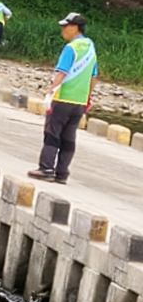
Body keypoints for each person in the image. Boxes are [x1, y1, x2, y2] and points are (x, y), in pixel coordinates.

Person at [28, 13, 97, 185]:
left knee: (52, 134)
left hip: (63, 98)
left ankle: (46, 168)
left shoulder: (71, 48)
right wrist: (88, 96)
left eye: (64, 26)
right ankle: (62, 173)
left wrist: (50, 93)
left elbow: (61, 73)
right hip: (79, 101)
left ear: (74, 27)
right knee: (69, 137)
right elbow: (94, 76)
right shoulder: (90, 47)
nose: (62, 30)